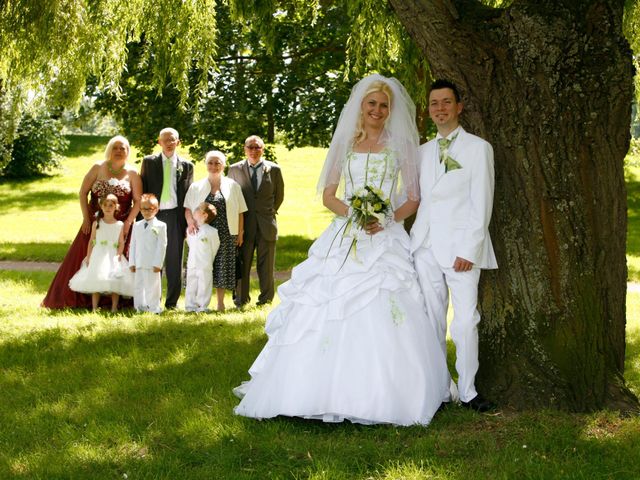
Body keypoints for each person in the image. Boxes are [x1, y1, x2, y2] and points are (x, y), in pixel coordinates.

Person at [233, 74, 449, 426]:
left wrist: (386, 219)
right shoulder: (346, 143)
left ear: (390, 111)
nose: (377, 110)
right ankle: (311, 391)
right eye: (372, 104)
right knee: (327, 303)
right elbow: (329, 194)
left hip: (385, 238)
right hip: (346, 233)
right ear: (361, 108)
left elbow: (413, 198)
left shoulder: (400, 147)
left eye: (384, 105)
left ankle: (389, 393)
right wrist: (355, 214)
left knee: (389, 302)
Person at [410, 79, 498, 412]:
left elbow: (482, 202)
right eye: (434, 103)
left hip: (461, 250)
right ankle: (441, 388)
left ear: (459, 107)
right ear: (429, 109)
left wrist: (469, 248)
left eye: (447, 102)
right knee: (431, 319)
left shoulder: (478, 148)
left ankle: (469, 390)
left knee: (464, 322)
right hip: (425, 246)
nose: (440, 108)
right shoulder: (422, 152)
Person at [42, 135, 141, 309]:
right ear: (109, 149)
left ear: (128, 151)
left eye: (123, 148)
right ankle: (82, 300)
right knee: (87, 258)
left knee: (119, 263)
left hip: (120, 228)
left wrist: (128, 223)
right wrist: (86, 218)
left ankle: (116, 302)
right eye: (115, 147)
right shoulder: (97, 167)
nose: (118, 151)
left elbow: (138, 201)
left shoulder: (133, 173)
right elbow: (82, 193)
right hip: (95, 224)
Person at [184, 150, 248, 311]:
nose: (214, 166)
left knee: (222, 266)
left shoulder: (233, 186)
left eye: (217, 163)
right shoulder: (196, 186)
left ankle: (220, 303)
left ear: (224, 165)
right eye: (210, 162)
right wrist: (191, 223)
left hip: (227, 232)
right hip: (202, 232)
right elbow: (187, 209)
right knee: (201, 266)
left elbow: (240, 211)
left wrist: (240, 232)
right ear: (205, 164)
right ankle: (198, 303)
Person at [140, 128, 194, 309]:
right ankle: (152, 301)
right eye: (166, 140)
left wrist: (188, 221)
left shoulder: (187, 166)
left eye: (173, 140)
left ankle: (171, 303)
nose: (169, 143)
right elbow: (144, 188)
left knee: (174, 260)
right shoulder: (149, 162)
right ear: (159, 142)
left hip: (175, 216)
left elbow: (189, 196)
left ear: (178, 142)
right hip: (154, 215)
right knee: (153, 257)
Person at [227, 135, 284, 307]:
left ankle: (266, 300)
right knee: (242, 262)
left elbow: (279, 196)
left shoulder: (274, 169)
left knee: (266, 266)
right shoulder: (234, 169)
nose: (253, 150)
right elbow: (231, 197)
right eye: (250, 147)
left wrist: (267, 213)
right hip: (243, 224)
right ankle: (241, 299)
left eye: (257, 147)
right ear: (244, 149)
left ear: (263, 149)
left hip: (266, 224)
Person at [69, 193, 134, 311]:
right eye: (106, 205)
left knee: (115, 281)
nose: (108, 208)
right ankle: (94, 307)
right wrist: (89, 256)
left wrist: (119, 255)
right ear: (101, 207)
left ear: (116, 207)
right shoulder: (97, 223)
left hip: (113, 255)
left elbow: (121, 242)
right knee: (96, 279)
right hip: (99, 254)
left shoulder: (119, 224)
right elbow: (91, 241)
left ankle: (114, 307)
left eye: (111, 205)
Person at [129, 194, 168, 314]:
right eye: (143, 209)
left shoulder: (161, 226)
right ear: (140, 209)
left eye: (149, 209)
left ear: (156, 209)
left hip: (152, 263)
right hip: (139, 261)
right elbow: (133, 244)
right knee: (139, 286)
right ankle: (140, 307)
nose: (146, 212)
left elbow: (162, 246)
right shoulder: (137, 225)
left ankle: (154, 308)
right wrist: (132, 262)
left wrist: (158, 263)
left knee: (153, 287)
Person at [184, 203, 221, 312]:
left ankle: (202, 306)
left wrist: (208, 259)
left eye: (198, 209)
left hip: (205, 264)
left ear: (205, 215)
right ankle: (190, 306)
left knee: (204, 285)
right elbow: (190, 244)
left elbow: (214, 247)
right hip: (192, 263)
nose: (195, 210)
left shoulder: (212, 232)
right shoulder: (190, 230)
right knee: (191, 284)